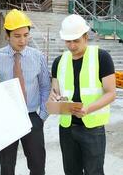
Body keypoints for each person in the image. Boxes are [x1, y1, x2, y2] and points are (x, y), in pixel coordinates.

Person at [49, 14, 116, 175]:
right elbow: (55, 90)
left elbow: (111, 93)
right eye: (68, 41)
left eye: (76, 40)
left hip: (92, 128)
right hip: (67, 128)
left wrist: (88, 109)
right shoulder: (59, 61)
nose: (71, 45)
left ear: (86, 37)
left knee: (94, 172)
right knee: (71, 171)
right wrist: (54, 97)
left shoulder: (101, 57)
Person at [0, 9, 51, 175]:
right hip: (7, 118)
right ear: (7, 35)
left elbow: (45, 86)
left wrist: (42, 116)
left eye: (26, 35)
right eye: (17, 36)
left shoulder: (38, 57)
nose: (23, 40)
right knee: (7, 168)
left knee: (37, 166)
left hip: (32, 117)